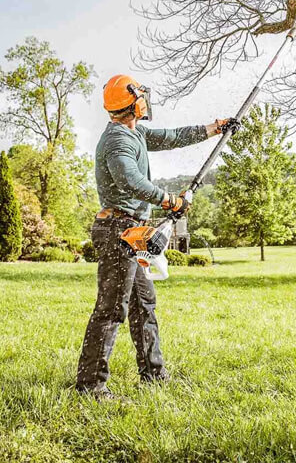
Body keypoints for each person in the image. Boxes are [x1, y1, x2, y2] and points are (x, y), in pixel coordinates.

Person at [76, 74, 236, 399]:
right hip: (119, 232)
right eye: (142, 96)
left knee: (143, 304)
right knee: (110, 309)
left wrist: (214, 128)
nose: (146, 100)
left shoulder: (136, 133)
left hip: (132, 232)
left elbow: (174, 135)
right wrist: (168, 199)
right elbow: (129, 179)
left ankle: (153, 374)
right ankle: (91, 386)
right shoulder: (117, 141)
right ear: (134, 102)